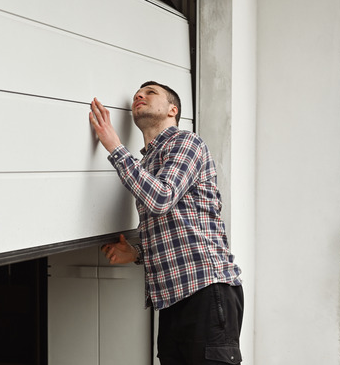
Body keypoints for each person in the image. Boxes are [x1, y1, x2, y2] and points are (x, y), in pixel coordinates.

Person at [89, 81, 244, 365]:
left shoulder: (186, 142)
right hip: (172, 300)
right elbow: (177, 230)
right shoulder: (145, 165)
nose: (140, 95)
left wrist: (113, 145)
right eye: (138, 92)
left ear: (173, 110)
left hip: (206, 291)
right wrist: (137, 254)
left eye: (151, 93)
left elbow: (162, 198)